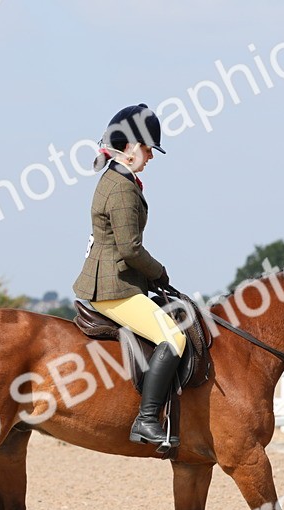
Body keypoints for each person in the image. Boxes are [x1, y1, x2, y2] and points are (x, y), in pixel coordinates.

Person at [72, 104, 186, 449]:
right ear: (132, 147)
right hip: (113, 287)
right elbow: (130, 249)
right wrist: (159, 272)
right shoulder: (121, 188)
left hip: (118, 280)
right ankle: (147, 420)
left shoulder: (118, 179)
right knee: (174, 338)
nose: (150, 157)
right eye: (148, 149)